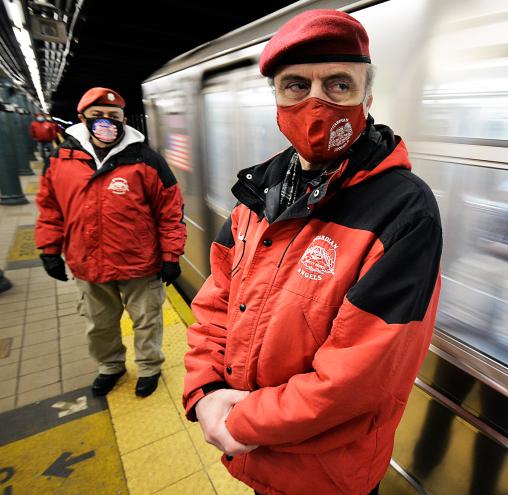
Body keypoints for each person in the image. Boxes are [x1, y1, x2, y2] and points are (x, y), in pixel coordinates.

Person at [183, 9, 442, 495]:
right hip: (257, 462)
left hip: (327, 476)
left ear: (368, 95)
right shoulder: (260, 191)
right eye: (296, 85)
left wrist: (236, 422)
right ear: (277, 99)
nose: (317, 103)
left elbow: (356, 381)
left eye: (339, 84)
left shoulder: (404, 211)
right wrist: (205, 388)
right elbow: (216, 301)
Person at [35, 87, 186, 397]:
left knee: (147, 322)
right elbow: (50, 209)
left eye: (114, 117)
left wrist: (171, 256)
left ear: (123, 120)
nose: (106, 123)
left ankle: (148, 368)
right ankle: (110, 366)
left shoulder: (146, 159)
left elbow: (170, 211)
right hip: (87, 263)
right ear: (82, 120)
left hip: (140, 263)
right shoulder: (61, 159)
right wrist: (49, 250)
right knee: (99, 324)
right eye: (98, 117)